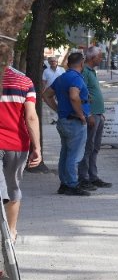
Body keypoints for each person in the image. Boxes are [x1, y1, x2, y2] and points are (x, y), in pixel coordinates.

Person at [1, 60, 42, 238]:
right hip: (15, 144)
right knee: (12, 188)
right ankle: (11, 232)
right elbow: (31, 117)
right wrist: (37, 147)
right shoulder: (24, 81)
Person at [43, 52, 91, 196]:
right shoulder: (75, 78)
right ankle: (71, 184)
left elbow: (46, 95)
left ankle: (64, 184)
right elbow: (74, 95)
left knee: (65, 153)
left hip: (63, 120)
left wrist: (58, 109)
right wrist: (81, 115)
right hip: (74, 121)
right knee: (74, 155)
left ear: (68, 63)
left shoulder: (61, 77)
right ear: (81, 63)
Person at [77, 47, 111, 189]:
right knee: (88, 147)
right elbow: (80, 93)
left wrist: (99, 112)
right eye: (100, 56)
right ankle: (84, 178)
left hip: (97, 114)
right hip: (91, 116)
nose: (101, 59)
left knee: (95, 147)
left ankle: (93, 176)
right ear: (92, 58)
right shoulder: (84, 71)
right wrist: (88, 114)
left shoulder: (91, 71)